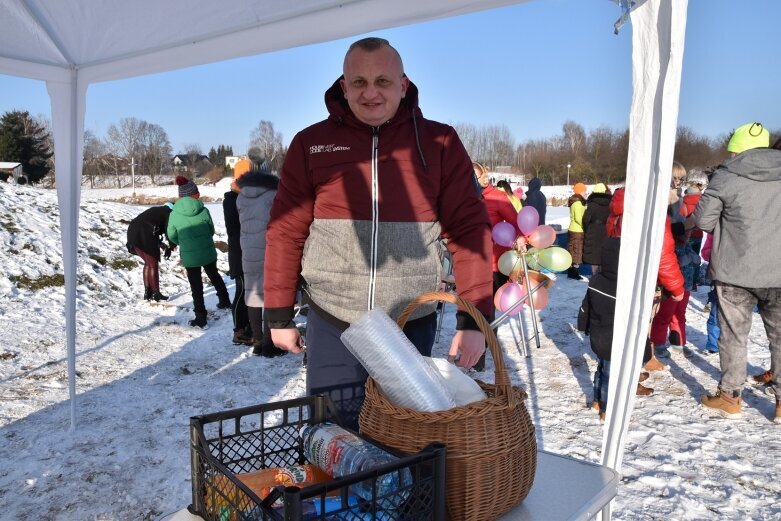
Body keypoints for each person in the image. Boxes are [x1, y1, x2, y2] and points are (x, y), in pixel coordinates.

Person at [263, 37, 492, 426]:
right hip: (333, 319)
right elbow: (285, 231)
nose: (370, 93)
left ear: (403, 85)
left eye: (383, 81)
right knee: (334, 435)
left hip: (410, 323)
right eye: (359, 82)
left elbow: (470, 231)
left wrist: (474, 322)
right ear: (343, 86)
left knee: (404, 437)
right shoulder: (311, 144)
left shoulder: (440, 142)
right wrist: (279, 316)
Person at [695, 122, 781, 422]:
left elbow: (703, 221)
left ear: (737, 149)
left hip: (735, 271)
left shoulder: (726, 177)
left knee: (734, 336)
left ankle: (730, 397)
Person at [577, 237, 649, 422]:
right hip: (615, 339)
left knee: (602, 368)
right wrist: (645, 349)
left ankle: (596, 402)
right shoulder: (626, 288)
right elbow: (636, 320)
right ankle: (607, 410)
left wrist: (583, 326)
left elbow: (586, 307)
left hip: (599, 337)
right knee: (611, 376)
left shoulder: (596, 280)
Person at [236, 160, 287, 358]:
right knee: (271, 297)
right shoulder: (274, 195)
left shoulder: (241, 197)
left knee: (252, 295)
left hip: (248, 251)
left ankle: (257, 341)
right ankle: (269, 344)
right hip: (270, 249)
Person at [167, 175, 231, 328]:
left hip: (190, 255)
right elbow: (211, 230)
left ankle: (201, 318)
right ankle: (225, 301)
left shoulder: (174, 213)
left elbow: (171, 235)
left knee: (196, 286)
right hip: (207, 251)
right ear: (194, 194)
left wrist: (183, 243)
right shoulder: (204, 210)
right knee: (214, 275)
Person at [649, 222, 699, 358]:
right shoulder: (670, 248)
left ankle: (678, 343)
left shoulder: (687, 246)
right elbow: (673, 263)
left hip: (686, 287)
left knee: (679, 315)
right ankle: (658, 343)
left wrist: (691, 256)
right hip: (671, 288)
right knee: (664, 316)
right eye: (685, 233)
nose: (688, 235)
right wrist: (687, 258)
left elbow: (697, 259)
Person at [474, 162, 521, 293]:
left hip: (494, 263)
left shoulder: (497, 197)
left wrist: (520, 239)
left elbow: (517, 223)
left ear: (483, 177)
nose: (470, 180)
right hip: (472, 261)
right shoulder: (463, 198)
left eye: (474, 176)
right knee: (474, 307)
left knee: (490, 305)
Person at [223, 159, 253, 346]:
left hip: (246, 251)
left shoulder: (241, 198)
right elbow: (236, 230)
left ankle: (248, 326)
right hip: (240, 253)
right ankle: (238, 331)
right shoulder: (232, 200)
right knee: (241, 292)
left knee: (249, 292)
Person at [126, 202, 176, 301]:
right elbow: (168, 231)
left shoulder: (156, 210)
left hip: (133, 232)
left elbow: (151, 226)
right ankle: (156, 294)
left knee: (148, 263)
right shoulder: (168, 213)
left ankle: (148, 293)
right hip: (143, 233)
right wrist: (172, 246)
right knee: (153, 264)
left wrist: (162, 245)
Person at [581, 183, 611, 273]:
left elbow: (586, 219)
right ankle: (602, 278)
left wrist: (588, 229)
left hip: (593, 231)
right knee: (603, 255)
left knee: (593, 258)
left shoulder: (592, 204)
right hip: (605, 230)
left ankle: (595, 277)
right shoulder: (610, 203)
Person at [566, 183, 587, 280]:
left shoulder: (576, 202)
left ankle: (572, 271)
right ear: (580, 192)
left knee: (573, 250)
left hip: (574, 229)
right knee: (577, 251)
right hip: (577, 230)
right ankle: (574, 273)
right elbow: (579, 218)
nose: (585, 193)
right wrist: (586, 226)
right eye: (584, 191)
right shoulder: (578, 203)